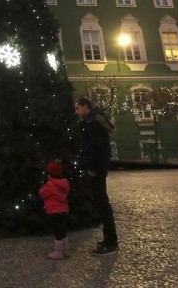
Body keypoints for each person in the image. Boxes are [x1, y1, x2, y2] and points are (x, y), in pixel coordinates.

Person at [75, 95, 119, 256]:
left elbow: (96, 147)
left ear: (85, 106)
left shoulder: (93, 123)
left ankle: (110, 242)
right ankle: (109, 240)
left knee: (102, 204)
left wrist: (92, 168)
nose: (76, 111)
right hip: (98, 167)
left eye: (77, 108)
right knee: (102, 203)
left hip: (96, 169)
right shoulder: (92, 121)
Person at [39, 160, 70, 260]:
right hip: (64, 211)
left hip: (54, 212)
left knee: (57, 232)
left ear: (49, 175)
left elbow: (42, 193)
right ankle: (65, 250)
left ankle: (58, 252)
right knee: (63, 230)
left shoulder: (50, 185)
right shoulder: (64, 183)